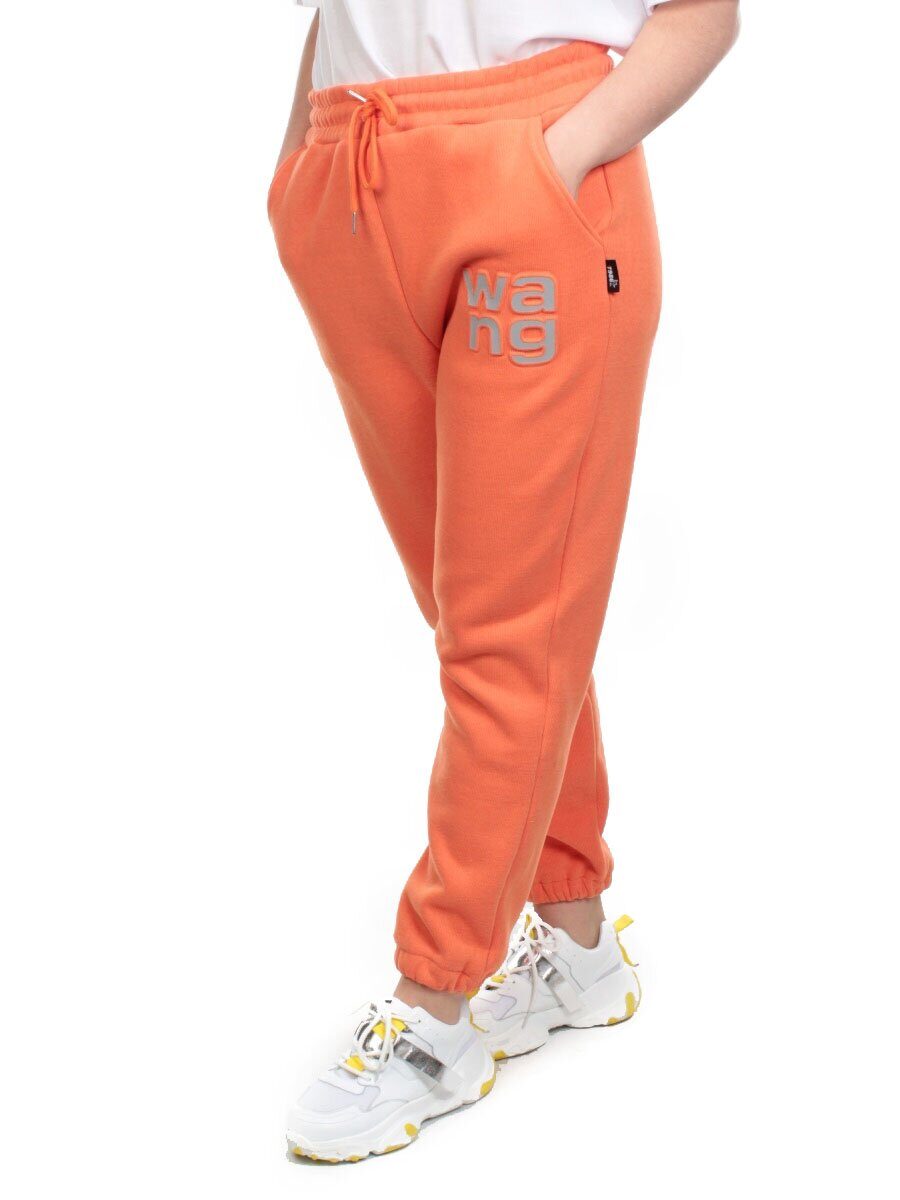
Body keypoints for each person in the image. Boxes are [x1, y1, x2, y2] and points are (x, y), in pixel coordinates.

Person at [270, 0, 739, 1163]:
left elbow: (705, 13)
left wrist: (548, 161)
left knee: (506, 635)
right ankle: (576, 941)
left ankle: (435, 1008)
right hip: (352, 172)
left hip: (531, 176)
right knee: (474, 615)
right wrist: (298, 168)